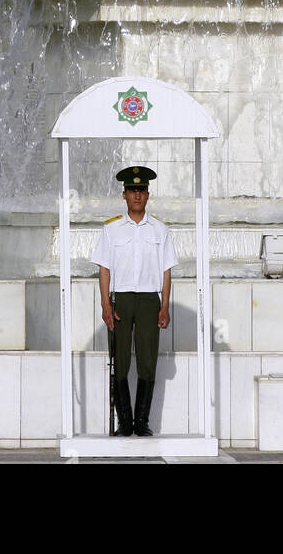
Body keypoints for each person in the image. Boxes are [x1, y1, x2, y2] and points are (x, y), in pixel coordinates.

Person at [91, 166, 177, 437]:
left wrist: (164, 305)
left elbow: (166, 271)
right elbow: (104, 268)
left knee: (147, 359)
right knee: (120, 361)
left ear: (147, 195)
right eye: (132, 191)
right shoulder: (111, 229)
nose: (137, 195)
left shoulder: (160, 230)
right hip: (122, 300)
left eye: (141, 191)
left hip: (150, 300)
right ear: (124, 195)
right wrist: (106, 304)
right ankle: (124, 422)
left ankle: (142, 421)